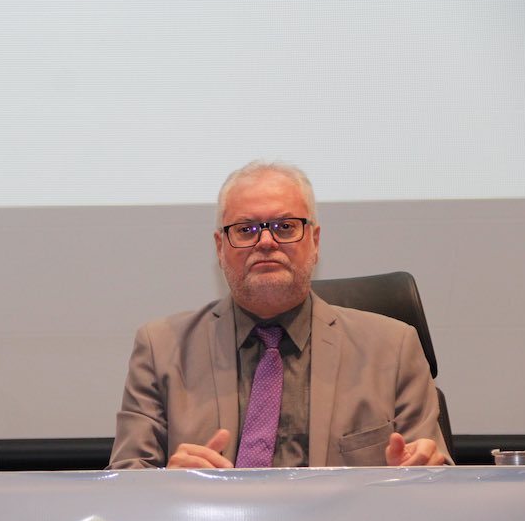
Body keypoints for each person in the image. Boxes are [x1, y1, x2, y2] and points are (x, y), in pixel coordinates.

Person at [108, 161, 451, 470]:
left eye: (285, 226)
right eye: (246, 229)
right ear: (219, 247)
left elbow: (436, 476)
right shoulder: (160, 349)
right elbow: (125, 483)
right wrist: (167, 486)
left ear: (315, 241)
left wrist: (418, 474)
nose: (266, 242)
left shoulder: (394, 348)